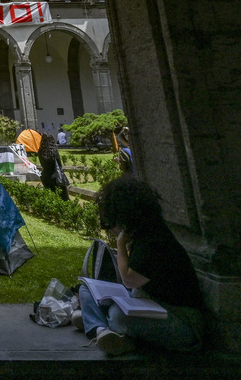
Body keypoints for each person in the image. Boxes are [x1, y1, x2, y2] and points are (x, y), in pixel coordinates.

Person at [76, 177, 204, 356]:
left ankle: (98, 323)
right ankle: (101, 330)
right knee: (86, 289)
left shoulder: (154, 241)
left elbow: (129, 279)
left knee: (117, 314)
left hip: (181, 323)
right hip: (149, 304)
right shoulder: (146, 233)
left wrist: (120, 243)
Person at [37, 133, 70, 201]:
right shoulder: (54, 151)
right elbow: (59, 164)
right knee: (63, 198)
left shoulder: (40, 151)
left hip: (45, 176)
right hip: (56, 176)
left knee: (50, 198)